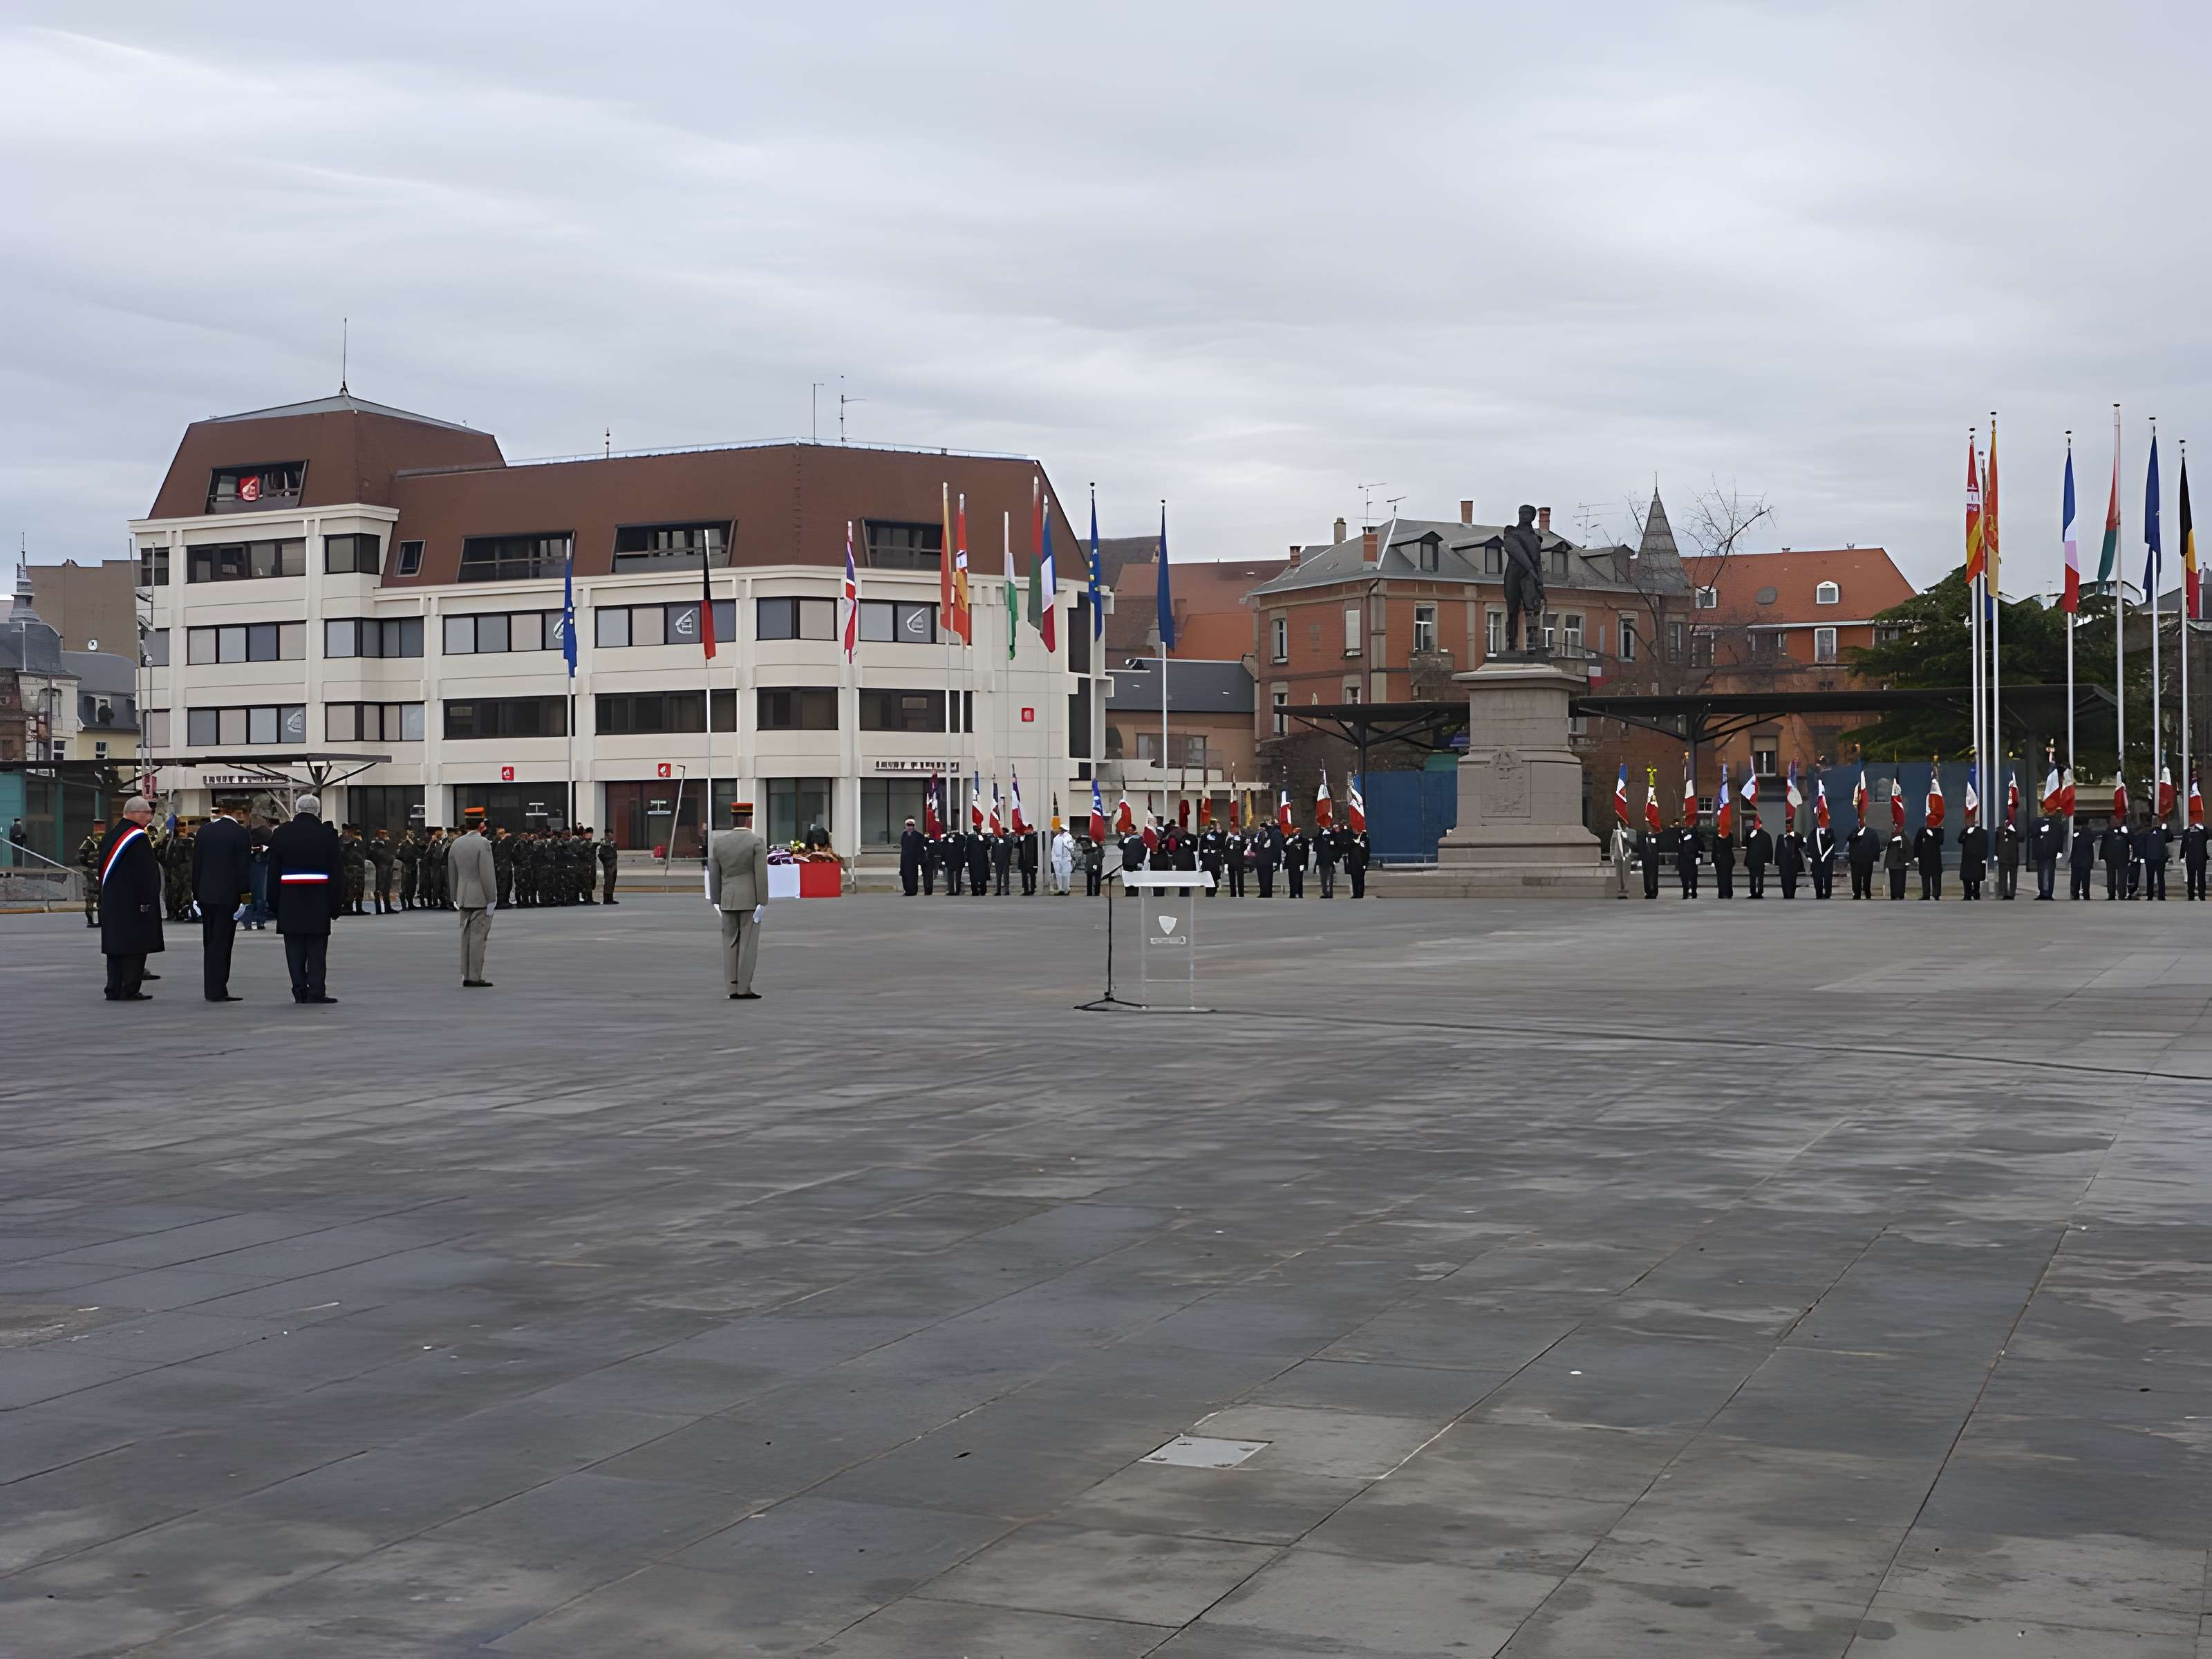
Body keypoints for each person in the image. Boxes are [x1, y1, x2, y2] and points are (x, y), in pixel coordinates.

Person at [266, 794, 344, 1004]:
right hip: (319, 897)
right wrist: (335, 905)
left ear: (297, 809)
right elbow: (336, 873)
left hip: (289, 898)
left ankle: (299, 990)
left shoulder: (281, 834)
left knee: (294, 946)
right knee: (317, 948)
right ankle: (317, 990)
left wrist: (273, 902)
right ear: (317, 811)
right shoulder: (327, 834)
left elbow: (273, 872)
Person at [95, 795, 163, 1000]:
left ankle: (113, 988)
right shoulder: (137, 837)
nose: (150, 817)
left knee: (115, 947)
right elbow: (146, 873)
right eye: (148, 813)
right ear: (136, 813)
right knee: (135, 946)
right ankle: (129, 988)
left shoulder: (111, 835)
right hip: (134, 902)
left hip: (113, 900)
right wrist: (147, 900)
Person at [191, 801, 252, 1002]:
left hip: (206, 896)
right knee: (224, 944)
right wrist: (245, 898)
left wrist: (196, 895)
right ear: (241, 813)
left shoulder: (205, 831)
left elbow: (197, 865)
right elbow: (243, 870)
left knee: (210, 943)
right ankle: (219, 989)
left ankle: (211, 988)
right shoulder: (241, 834)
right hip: (228, 897)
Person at [709, 800, 768, 1000]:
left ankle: (731, 988)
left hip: (727, 898)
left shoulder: (719, 842)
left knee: (729, 943)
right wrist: (763, 901)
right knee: (748, 944)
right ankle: (744, 987)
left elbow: (714, 873)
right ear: (749, 819)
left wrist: (716, 900)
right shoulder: (756, 842)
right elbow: (761, 874)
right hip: (749, 899)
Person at [448, 808, 498, 987]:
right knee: (478, 938)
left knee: (466, 936)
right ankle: (474, 976)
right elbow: (487, 874)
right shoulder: (483, 844)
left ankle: (465, 973)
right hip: (480, 896)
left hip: (463, 895)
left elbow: (452, 872)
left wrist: (454, 895)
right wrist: (492, 898)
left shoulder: (456, 844)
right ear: (481, 825)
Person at [1846, 818, 1879, 900]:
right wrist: (1857, 832)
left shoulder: (1872, 832)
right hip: (1856, 860)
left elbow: (1876, 845)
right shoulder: (1855, 831)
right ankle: (1857, 894)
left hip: (1867, 860)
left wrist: (1874, 857)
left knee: (1867, 877)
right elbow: (1850, 839)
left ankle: (1867, 892)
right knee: (1856, 878)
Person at [1957, 817, 1988, 901]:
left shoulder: (1983, 832)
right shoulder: (1966, 831)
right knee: (1967, 878)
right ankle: (1967, 895)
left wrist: (1984, 857)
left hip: (1977, 858)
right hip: (1967, 858)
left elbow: (1986, 845)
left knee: (1976, 878)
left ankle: (1976, 894)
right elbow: (1960, 840)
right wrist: (1967, 833)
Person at [1913, 819, 1944, 900]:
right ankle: (1926, 894)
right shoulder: (1922, 830)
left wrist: (1937, 831)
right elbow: (1917, 843)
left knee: (1936, 877)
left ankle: (1936, 895)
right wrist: (1916, 856)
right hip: (1924, 857)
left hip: (1935, 858)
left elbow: (1940, 841)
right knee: (1925, 876)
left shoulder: (1938, 830)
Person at [339, 823, 366, 917]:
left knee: (359, 888)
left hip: (358, 868)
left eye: (348, 831)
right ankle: (348, 907)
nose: (346, 833)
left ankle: (359, 907)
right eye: (344, 831)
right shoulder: (340, 841)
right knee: (349, 888)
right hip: (348, 868)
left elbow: (362, 853)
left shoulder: (357, 841)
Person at [2141, 814, 2171, 901]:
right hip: (2159, 858)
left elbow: (2143, 845)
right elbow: (2170, 838)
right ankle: (2160, 896)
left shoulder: (2147, 832)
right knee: (2160, 878)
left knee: (2152, 878)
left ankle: (2151, 895)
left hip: (2151, 858)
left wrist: (2143, 856)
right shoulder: (2162, 832)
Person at [2065, 818, 2095, 900]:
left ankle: (2075, 895)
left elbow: (2074, 846)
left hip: (2078, 860)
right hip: (2085, 861)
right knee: (2085, 880)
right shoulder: (2088, 833)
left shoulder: (2080, 833)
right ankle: (2086, 895)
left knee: (2076, 879)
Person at [77, 827, 101, 928]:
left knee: (91, 899)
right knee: (99, 899)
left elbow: (81, 857)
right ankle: (96, 921)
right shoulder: (106, 839)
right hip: (97, 874)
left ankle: (91, 921)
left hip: (92, 874)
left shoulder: (89, 841)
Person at [2100, 816, 2130, 899]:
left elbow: (2132, 839)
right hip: (2111, 858)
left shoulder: (2125, 831)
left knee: (2122, 878)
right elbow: (2104, 844)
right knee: (2111, 877)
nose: (2116, 822)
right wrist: (2104, 856)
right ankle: (2111, 894)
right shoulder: (2108, 833)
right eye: (2113, 820)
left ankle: (2122, 894)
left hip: (2122, 858)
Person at [1743, 818, 1772, 899]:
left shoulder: (1765, 835)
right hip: (1751, 859)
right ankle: (1752, 892)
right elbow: (1747, 845)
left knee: (1760, 877)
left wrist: (1768, 860)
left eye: (1757, 824)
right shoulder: (1751, 834)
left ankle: (1759, 892)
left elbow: (1769, 848)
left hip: (1760, 859)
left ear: (1760, 824)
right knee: (1752, 877)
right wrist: (1750, 836)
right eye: (1755, 824)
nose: (1755, 825)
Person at [368, 827, 396, 914]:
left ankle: (388, 907)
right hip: (380, 867)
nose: (386, 837)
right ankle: (378, 908)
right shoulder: (375, 846)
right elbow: (372, 856)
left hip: (388, 867)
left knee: (387, 888)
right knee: (379, 888)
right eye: (384, 835)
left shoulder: (387, 845)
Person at [1809, 821, 1839, 900]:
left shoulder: (1830, 832)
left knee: (1828, 877)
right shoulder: (1814, 832)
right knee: (1817, 878)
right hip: (1817, 860)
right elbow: (1811, 844)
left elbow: (1832, 844)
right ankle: (1819, 894)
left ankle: (1828, 894)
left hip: (1827, 860)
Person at [1994, 816, 2022, 900]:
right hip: (2004, 857)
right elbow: (1996, 844)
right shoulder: (2000, 831)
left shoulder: (2015, 832)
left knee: (2012, 877)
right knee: (2004, 876)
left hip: (2011, 857)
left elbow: (2021, 837)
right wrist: (1996, 854)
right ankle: (2005, 892)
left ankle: (2011, 893)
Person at [1675, 818, 1703, 899]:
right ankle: (1685, 892)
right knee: (1684, 877)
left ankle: (1694, 892)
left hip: (1692, 857)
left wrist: (1697, 856)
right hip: (1683, 858)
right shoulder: (1680, 832)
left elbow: (1699, 845)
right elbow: (1679, 842)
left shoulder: (1695, 833)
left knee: (1693, 877)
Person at [2182, 817, 2209, 901]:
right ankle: (2200, 895)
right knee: (2199, 877)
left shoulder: (2188, 832)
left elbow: (2183, 845)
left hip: (2192, 858)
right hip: (2200, 858)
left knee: (2193, 877)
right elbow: (2183, 845)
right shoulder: (2202, 832)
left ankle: (2192, 896)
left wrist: (2182, 856)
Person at [1777, 823, 1805, 900]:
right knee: (1784, 878)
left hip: (1794, 861)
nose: (1788, 828)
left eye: (1790, 826)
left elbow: (1802, 845)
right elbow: (1778, 850)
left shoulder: (1797, 836)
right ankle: (1785, 894)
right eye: (1787, 826)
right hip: (1784, 861)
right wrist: (1777, 862)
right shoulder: (1781, 837)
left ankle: (1792, 894)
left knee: (1793, 879)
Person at [1634, 820, 1662, 900]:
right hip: (1646, 858)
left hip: (1654, 858)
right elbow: (1639, 848)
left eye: (1649, 825)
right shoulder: (1641, 836)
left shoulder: (1656, 836)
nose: (1648, 827)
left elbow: (1658, 846)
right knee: (1646, 876)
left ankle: (1654, 892)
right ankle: (1648, 892)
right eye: (1647, 825)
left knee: (1654, 876)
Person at [899, 818, 926, 897]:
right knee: (905, 874)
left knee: (913, 875)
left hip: (913, 858)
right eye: (908, 825)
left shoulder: (918, 835)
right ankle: (907, 890)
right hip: (905, 857)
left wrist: (919, 857)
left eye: (911, 825)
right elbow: (902, 844)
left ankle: (913, 890)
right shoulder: (904, 834)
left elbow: (921, 847)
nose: (910, 827)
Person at [1884, 826, 1912, 900]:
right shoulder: (1900, 838)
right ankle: (1897, 894)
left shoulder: (1901, 838)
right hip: (1897, 863)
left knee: (1897, 880)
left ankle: (1897, 894)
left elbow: (1908, 849)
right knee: (1898, 880)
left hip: (1897, 863)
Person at [398, 827, 422, 910]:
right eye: (410, 834)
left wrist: (414, 845)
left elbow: (419, 852)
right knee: (406, 886)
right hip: (407, 866)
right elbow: (400, 856)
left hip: (413, 865)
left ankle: (410, 903)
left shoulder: (414, 844)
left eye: (413, 834)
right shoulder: (404, 845)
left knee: (413, 886)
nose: (412, 835)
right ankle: (404, 904)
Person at [1710, 821, 1736, 899]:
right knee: (1720, 877)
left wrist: (1725, 836)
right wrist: (1713, 860)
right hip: (1719, 860)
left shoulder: (1729, 835)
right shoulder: (1716, 836)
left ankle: (1728, 893)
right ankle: (1721, 893)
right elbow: (1714, 849)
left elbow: (1730, 845)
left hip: (1728, 859)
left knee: (1728, 877)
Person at [1610, 821, 1634, 899]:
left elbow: (1633, 843)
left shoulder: (1631, 832)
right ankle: (1620, 891)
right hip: (1618, 856)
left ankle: (1626, 892)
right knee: (1619, 875)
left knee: (1626, 874)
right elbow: (1612, 844)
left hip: (1627, 856)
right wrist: (1612, 855)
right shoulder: (1615, 833)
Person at [491, 826, 514, 910]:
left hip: (505, 866)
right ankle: (501, 901)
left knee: (507, 884)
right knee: (503, 884)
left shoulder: (504, 842)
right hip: (501, 867)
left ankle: (505, 900)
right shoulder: (495, 844)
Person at [1049, 825, 1076, 894]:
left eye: (1063, 829)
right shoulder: (1056, 838)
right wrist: (1053, 859)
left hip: (1066, 859)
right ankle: (1060, 889)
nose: (1061, 831)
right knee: (1059, 875)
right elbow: (1053, 849)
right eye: (1060, 829)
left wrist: (1071, 858)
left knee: (1066, 875)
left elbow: (1071, 848)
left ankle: (1066, 889)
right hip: (1057, 859)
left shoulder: (1068, 837)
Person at [1344, 829, 1371, 899]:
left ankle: (1360, 894)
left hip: (1361, 863)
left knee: (1361, 879)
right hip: (1353, 863)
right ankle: (1355, 893)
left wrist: (1365, 863)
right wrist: (1354, 841)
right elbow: (1348, 847)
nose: (1356, 831)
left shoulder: (1365, 839)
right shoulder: (1351, 838)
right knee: (1354, 878)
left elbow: (1367, 852)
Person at [1315, 826, 1340, 899]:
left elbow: (1336, 847)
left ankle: (1329, 893)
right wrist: (1322, 829)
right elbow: (1317, 840)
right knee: (1323, 878)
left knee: (1329, 878)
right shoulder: (1320, 838)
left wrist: (1336, 859)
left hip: (1330, 861)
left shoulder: (1332, 836)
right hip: (1322, 860)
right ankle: (1324, 892)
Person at [967, 829, 992, 899]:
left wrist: (983, 840)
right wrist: (967, 860)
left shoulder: (984, 837)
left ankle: (983, 891)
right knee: (974, 877)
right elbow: (968, 849)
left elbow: (988, 847)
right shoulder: (971, 837)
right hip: (973, 861)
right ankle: (974, 891)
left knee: (983, 878)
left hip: (982, 861)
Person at [597, 828, 619, 903]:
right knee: (608, 882)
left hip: (614, 866)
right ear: (607, 835)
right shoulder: (604, 844)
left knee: (612, 882)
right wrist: (606, 863)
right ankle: (607, 899)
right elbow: (600, 855)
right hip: (609, 866)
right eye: (611, 834)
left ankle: (610, 898)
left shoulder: (613, 844)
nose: (612, 836)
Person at [1224, 828, 1248, 897]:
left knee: (1232, 879)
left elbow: (1226, 851)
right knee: (1240, 879)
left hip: (1232, 861)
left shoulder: (1229, 840)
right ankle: (1241, 894)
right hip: (1239, 861)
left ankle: (1233, 894)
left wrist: (1226, 862)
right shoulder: (1242, 839)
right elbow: (1244, 848)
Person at [1018, 828, 1040, 896]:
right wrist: (1020, 840)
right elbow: (1018, 847)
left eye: (1029, 830)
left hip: (1031, 861)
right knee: (1024, 876)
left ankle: (1032, 889)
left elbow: (1036, 851)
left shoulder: (1034, 838)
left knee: (1032, 876)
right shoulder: (1023, 838)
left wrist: (1036, 863)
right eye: (1026, 830)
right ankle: (1026, 890)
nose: (1027, 831)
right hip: (1023, 860)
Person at [991, 828, 1013, 896]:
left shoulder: (1008, 839)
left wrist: (1003, 840)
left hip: (1005, 861)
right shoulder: (996, 840)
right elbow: (993, 850)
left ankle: (1007, 890)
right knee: (998, 877)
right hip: (998, 861)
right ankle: (998, 891)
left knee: (1006, 877)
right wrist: (993, 860)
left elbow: (1010, 847)